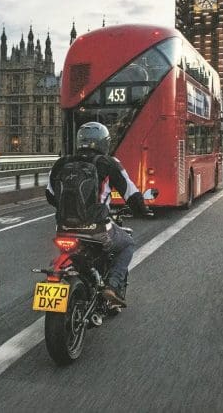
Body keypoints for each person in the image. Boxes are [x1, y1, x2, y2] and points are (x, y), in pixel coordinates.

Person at [46, 121, 151, 307]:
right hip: (96, 229)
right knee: (127, 244)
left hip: (63, 229)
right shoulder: (109, 163)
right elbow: (131, 193)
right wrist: (142, 209)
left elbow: (50, 195)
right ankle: (112, 286)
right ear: (104, 143)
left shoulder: (61, 163)